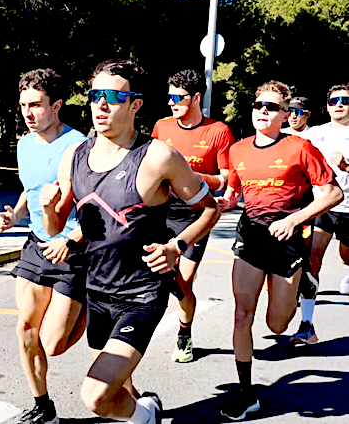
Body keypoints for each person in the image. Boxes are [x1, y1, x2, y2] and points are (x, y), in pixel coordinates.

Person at [40, 59, 220, 424]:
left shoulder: (158, 157)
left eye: (113, 97)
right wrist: (48, 208)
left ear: (135, 104)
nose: (101, 105)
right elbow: (57, 223)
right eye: (95, 96)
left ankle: (146, 414)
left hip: (141, 293)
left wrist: (176, 246)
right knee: (118, 387)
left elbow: (209, 209)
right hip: (97, 288)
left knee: (95, 396)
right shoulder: (73, 156)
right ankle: (142, 413)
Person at [216, 81, 342, 420]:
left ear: (285, 114)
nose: (263, 112)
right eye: (258, 106)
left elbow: (333, 195)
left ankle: (303, 283)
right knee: (243, 314)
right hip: (252, 237)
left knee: (276, 325)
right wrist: (222, 202)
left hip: (289, 241)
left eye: (271, 107)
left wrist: (295, 219)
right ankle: (246, 393)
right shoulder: (238, 149)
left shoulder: (300, 147)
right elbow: (234, 193)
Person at [0, 68, 87, 424]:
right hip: (36, 244)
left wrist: (71, 238)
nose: (28, 113)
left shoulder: (78, 146)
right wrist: (15, 216)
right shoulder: (23, 145)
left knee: (53, 344)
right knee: (25, 329)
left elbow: (95, 204)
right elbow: (30, 191)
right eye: (23, 106)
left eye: (36, 104)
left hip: (74, 248)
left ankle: (91, 307)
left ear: (57, 105)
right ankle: (44, 408)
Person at [151, 69, 234, 363]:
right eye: (169, 96)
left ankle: (184, 334)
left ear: (196, 98)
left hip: (195, 215)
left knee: (183, 284)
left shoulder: (218, 131)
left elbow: (223, 179)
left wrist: (193, 176)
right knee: (152, 273)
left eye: (178, 97)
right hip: (161, 212)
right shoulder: (162, 127)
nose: (171, 102)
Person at [289, 84, 349, 346]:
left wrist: (346, 165)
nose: (339, 104)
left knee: (347, 257)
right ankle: (307, 325)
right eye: (334, 100)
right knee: (312, 259)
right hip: (322, 207)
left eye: (345, 100)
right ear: (326, 106)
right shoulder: (314, 135)